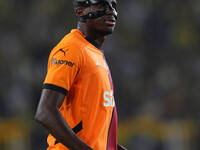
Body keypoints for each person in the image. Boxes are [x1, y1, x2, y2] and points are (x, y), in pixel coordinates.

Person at [35, 0, 126, 150]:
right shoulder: (71, 49)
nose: (111, 11)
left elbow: (92, 127)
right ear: (80, 11)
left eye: (113, 6)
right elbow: (45, 112)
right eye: (102, 5)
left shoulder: (94, 53)